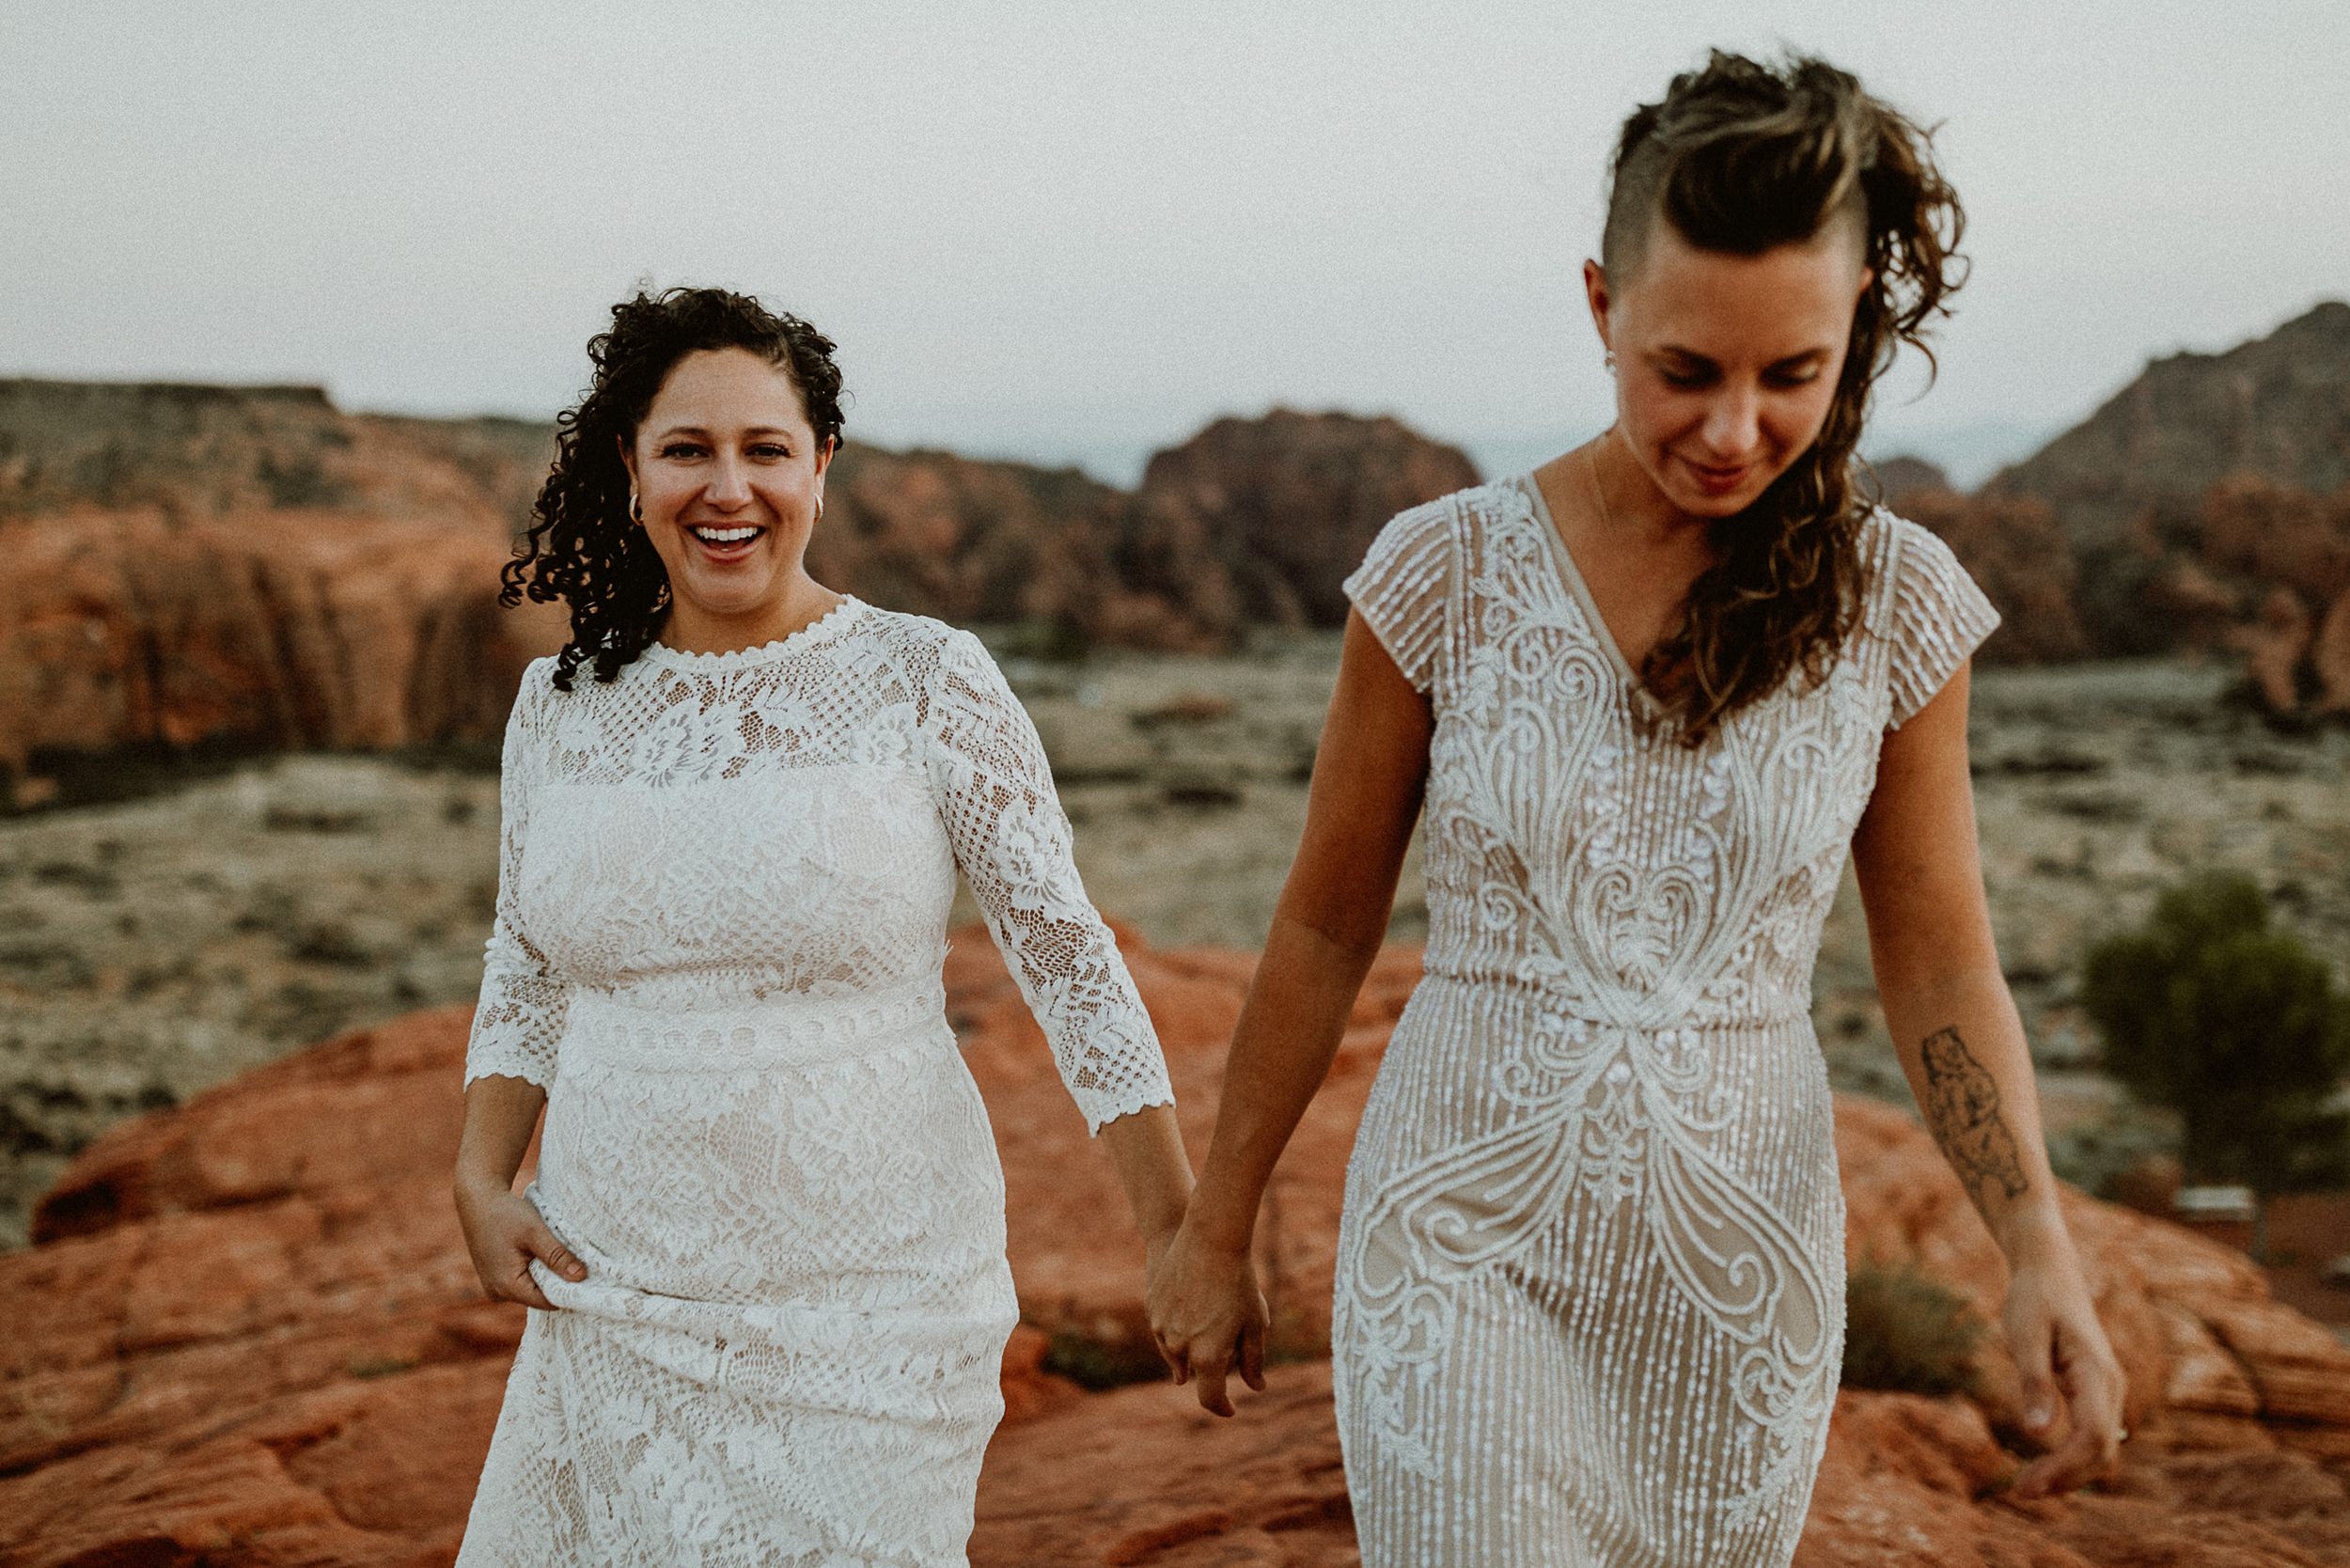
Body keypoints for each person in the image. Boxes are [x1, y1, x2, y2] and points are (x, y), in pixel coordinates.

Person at [1146, 51, 2127, 1567]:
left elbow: (1937, 960)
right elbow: (1324, 919)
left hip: (1741, 1282)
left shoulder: (1896, 606)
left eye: (1789, 374)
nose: (1735, 429)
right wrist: (1216, 1225)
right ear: (1602, 307)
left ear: (1854, 327)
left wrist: (2037, 1243)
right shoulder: (1445, 572)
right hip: (1462, 1246)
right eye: (1688, 370)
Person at [449, 286, 1191, 1566]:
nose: (726, 488)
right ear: (629, 468)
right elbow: (525, 960)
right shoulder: (556, 705)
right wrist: (477, 1174)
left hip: (871, 1309)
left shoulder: (926, 675)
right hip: (610, 1287)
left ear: (821, 465)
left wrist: (1182, 1230)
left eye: (764, 449)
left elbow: (1067, 962)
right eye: (686, 449)